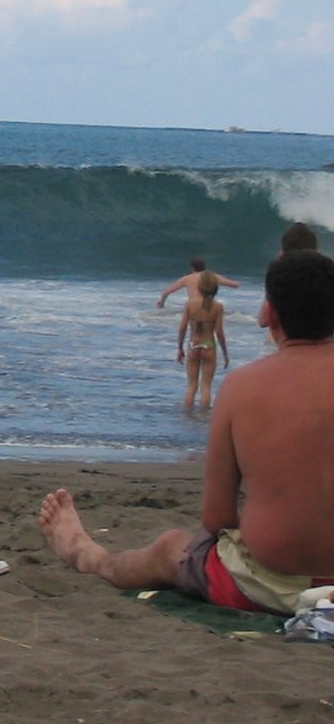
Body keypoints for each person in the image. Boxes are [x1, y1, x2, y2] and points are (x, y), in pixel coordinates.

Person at [40, 249, 334, 615]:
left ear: (268, 313)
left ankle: (90, 556)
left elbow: (216, 518)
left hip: (264, 586)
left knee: (171, 547)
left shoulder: (242, 387)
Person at [177, 270, 227, 411]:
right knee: (206, 386)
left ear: (200, 287)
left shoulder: (190, 304)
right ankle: (204, 416)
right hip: (209, 346)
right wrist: (225, 353)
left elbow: (182, 328)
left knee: (191, 386)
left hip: (193, 345)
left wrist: (180, 348)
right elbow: (219, 332)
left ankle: (188, 414)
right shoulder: (218, 307)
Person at [156, 258, 238, 309]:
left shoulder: (187, 278)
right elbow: (234, 285)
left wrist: (162, 303)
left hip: (193, 306)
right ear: (204, 267)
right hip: (209, 305)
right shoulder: (213, 276)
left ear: (192, 268)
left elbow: (166, 292)